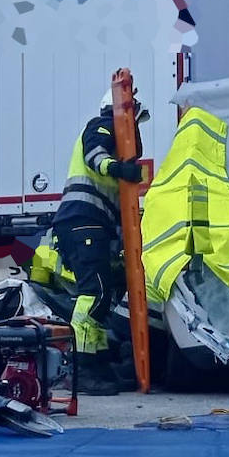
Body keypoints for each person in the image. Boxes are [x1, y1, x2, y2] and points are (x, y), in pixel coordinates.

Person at [50, 89, 148, 396]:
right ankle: (82, 366)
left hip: (90, 223)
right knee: (95, 293)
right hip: (82, 220)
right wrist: (119, 169)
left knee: (103, 296)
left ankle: (99, 361)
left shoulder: (116, 138)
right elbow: (96, 157)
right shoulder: (101, 125)